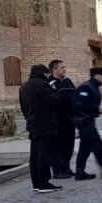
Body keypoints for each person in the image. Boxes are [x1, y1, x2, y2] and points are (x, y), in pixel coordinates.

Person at [19, 64, 61, 193]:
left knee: (35, 155)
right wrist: (56, 92)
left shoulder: (24, 86)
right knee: (44, 154)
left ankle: (36, 183)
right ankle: (44, 183)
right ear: (44, 73)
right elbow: (52, 101)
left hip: (32, 123)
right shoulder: (42, 85)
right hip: (44, 125)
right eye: (47, 74)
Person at [73, 67, 102, 180]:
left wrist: (95, 111)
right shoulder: (85, 87)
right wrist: (97, 109)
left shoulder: (93, 87)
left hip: (88, 120)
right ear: (97, 76)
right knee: (98, 145)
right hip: (83, 121)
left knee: (85, 146)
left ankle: (80, 172)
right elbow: (80, 104)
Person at [47, 59, 77, 179]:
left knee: (69, 145)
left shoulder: (67, 81)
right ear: (54, 69)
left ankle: (66, 167)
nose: (65, 69)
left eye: (65, 67)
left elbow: (74, 96)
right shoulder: (50, 83)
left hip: (70, 119)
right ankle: (57, 171)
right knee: (57, 146)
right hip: (57, 120)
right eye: (62, 67)